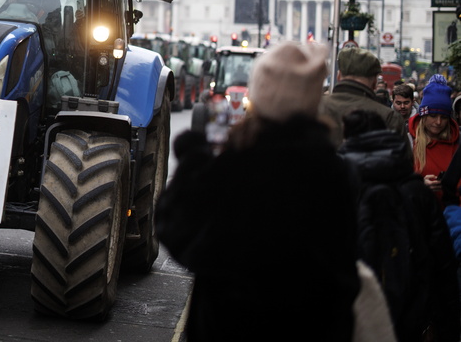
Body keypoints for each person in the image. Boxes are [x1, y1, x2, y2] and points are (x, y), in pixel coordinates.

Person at [156, 42, 360, 341]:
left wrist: (192, 163)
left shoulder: (240, 164)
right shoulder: (335, 172)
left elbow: (179, 234)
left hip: (231, 327)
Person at [340, 110, 460, 342]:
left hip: (354, 308)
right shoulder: (416, 190)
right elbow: (442, 262)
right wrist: (449, 326)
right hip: (411, 308)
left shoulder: (340, 185)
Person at [319, 46, 406, 144]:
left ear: (339, 76)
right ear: (374, 82)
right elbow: (402, 157)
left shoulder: (314, 109)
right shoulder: (389, 117)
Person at [410, 75, 460, 200]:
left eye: (443, 117)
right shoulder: (408, 141)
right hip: (420, 213)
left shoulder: (457, 142)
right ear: (423, 116)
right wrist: (420, 185)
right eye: (433, 116)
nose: (438, 122)